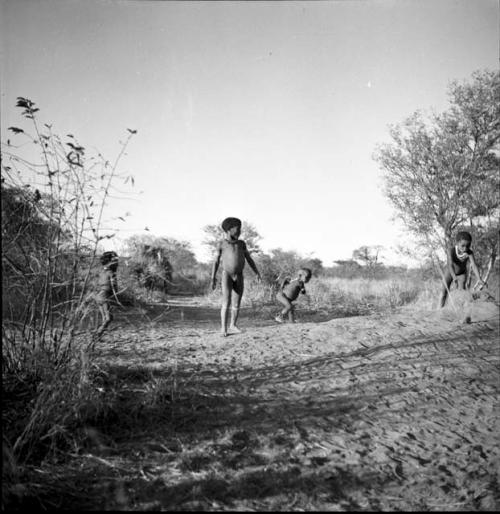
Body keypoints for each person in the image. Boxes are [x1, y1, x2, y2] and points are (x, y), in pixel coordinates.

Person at [211, 217, 261, 336]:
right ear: (229, 230)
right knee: (226, 301)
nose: (240, 231)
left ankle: (233, 325)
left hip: (239, 275)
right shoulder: (221, 244)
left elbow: (249, 258)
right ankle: (224, 328)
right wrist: (212, 278)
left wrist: (257, 272)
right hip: (226, 275)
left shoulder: (241, 244)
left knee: (237, 303)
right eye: (237, 229)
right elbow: (216, 262)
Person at [439, 231, 484, 308]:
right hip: (450, 273)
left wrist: (479, 279)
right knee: (444, 292)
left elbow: (473, 265)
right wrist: (454, 277)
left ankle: (460, 311)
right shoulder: (451, 251)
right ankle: (440, 310)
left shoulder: (469, 253)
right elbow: (450, 265)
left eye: (468, 246)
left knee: (461, 294)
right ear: (457, 243)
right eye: (462, 245)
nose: (465, 248)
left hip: (462, 274)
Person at [95, 251, 119, 337]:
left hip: (98, 296)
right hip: (105, 296)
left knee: (104, 319)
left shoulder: (102, 272)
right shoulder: (111, 273)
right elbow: (114, 287)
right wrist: (117, 298)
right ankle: (98, 334)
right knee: (109, 318)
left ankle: (98, 335)